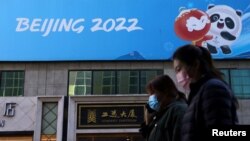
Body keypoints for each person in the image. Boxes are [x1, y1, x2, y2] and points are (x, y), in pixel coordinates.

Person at [172, 44, 238, 141]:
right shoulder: (198, 92)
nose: (178, 75)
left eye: (179, 69)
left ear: (195, 64)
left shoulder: (213, 89)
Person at [139, 75, 187, 141]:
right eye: (150, 94)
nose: (151, 97)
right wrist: (148, 121)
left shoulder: (178, 110)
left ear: (165, 91)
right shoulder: (160, 116)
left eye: (154, 93)